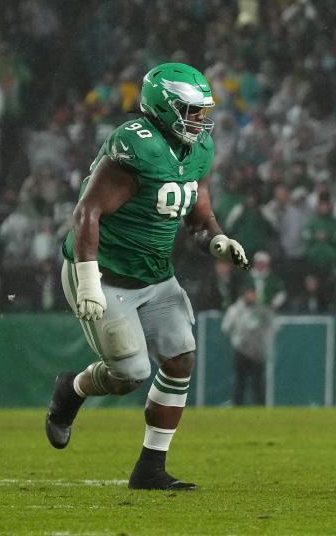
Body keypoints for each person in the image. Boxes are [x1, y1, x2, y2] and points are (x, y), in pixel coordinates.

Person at [45, 63, 250, 491]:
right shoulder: (135, 144)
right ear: (163, 106)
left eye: (202, 111)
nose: (199, 120)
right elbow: (87, 212)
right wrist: (86, 280)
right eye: (191, 110)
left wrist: (217, 240)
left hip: (155, 276)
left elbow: (198, 211)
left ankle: (150, 469)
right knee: (130, 373)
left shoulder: (198, 150)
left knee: (180, 359)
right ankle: (73, 389)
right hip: (104, 272)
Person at [220, 286, 276, 406]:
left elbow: (271, 326)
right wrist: (238, 337)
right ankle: (238, 405)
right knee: (241, 381)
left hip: (257, 351)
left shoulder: (262, 310)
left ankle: (261, 407)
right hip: (240, 350)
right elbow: (226, 327)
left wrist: (263, 338)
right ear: (244, 294)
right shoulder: (235, 310)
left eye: (254, 294)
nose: (252, 296)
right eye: (250, 294)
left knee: (258, 383)